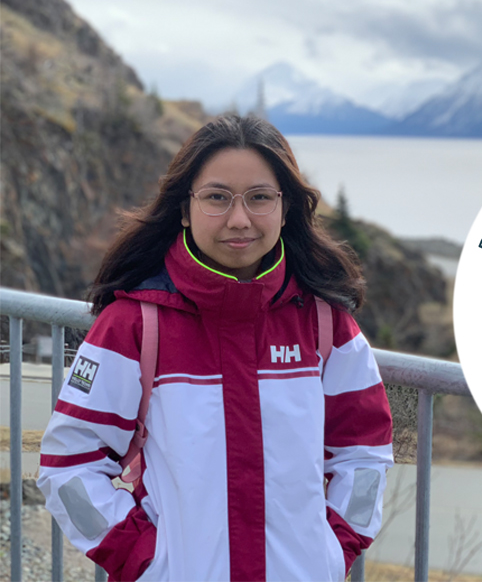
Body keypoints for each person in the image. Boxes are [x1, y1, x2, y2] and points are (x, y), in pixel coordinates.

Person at [37, 114, 394, 581]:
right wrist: (146, 562)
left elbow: (363, 455)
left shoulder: (326, 325)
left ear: (285, 209)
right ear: (184, 208)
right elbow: (71, 464)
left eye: (260, 198)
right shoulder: (134, 325)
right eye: (217, 198)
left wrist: (330, 553)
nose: (239, 219)